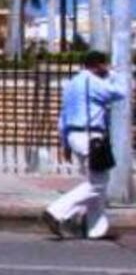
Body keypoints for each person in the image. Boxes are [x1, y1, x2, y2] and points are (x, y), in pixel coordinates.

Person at [43, 50, 125, 239]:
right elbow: (120, 93)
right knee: (99, 183)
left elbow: (62, 116)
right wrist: (114, 74)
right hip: (90, 136)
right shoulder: (92, 81)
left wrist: (65, 142)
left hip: (74, 135)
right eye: (105, 65)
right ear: (99, 65)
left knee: (93, 181)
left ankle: (95, 228)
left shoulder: (71, 84)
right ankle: (57, 211)